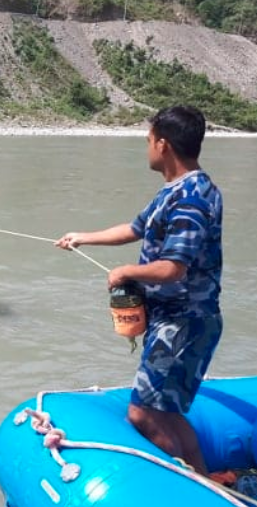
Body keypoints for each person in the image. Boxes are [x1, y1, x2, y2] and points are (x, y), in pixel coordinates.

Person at [55, 105, 222, 476]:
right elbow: (135, 229)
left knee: (142, 413)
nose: (146, 147)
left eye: (148, 140)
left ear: (163, 145)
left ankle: (187, 489)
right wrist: (83, 238)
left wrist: (126, 271)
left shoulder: (191, 199)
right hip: (180, 321)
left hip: (183, 323)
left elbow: (174, 268)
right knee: (168, 413)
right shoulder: (176, 190)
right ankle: (207, 483)